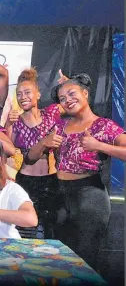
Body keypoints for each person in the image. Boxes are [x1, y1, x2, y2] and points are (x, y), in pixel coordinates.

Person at [27, 73, 126, 270]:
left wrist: (99, 145)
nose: (67, 101)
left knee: (84, 260)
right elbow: (31, 157)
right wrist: (43, 143)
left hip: (89, 196)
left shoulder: (103, 125)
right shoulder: (60, 126)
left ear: (85, 93)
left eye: (72, 94)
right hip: (59, 195)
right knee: (55, 257)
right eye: (62, 99)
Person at [5, 68, 64, 239]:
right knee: (26, 231)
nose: (23, 97)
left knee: (51, 230)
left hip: (51, 180)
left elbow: (74, 104)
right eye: (19, 94)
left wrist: (66, 86)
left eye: (27, 92)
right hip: (26, 181)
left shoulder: (52, 114)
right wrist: (8, 123)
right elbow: (7, 149)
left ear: (38, 94)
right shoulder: (16, 122)